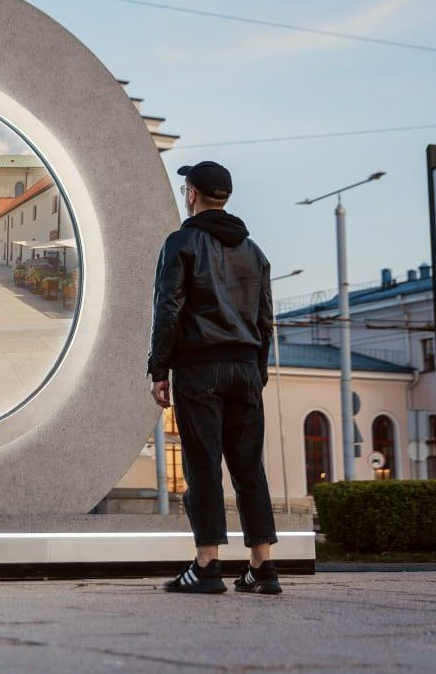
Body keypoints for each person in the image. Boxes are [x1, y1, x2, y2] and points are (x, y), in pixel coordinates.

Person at [148, 161, 280, 596]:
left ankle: (207, 565)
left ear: (192, 195)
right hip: (245, 369)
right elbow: (265, 322)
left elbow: (169, 308)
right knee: (249, 469)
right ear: (224, 197)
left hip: (200, 367)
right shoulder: (254, 251)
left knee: (202, 467)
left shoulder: (181, 242)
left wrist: (159, 369)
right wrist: (255, 371)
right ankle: (262, 567)